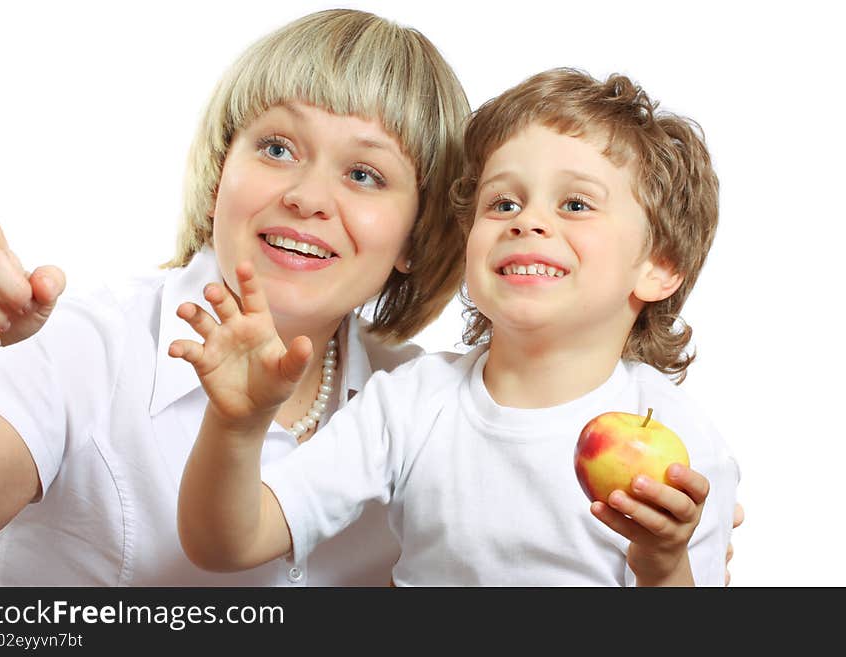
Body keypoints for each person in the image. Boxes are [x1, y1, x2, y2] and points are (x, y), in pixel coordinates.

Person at [175, 68, 741, 586]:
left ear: (659, 266)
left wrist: (664, 565)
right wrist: (238, 425)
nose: (528, 221)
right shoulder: (410, 404)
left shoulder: (681, 443)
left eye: (574, 205)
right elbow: (228, 541)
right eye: (502, 203)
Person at [0, 9, 471, 586]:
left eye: (364, 174)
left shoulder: (426, 407)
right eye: (278, 148)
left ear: (417, 234)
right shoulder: (78, 344)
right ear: (218, 177)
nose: (307, 198)